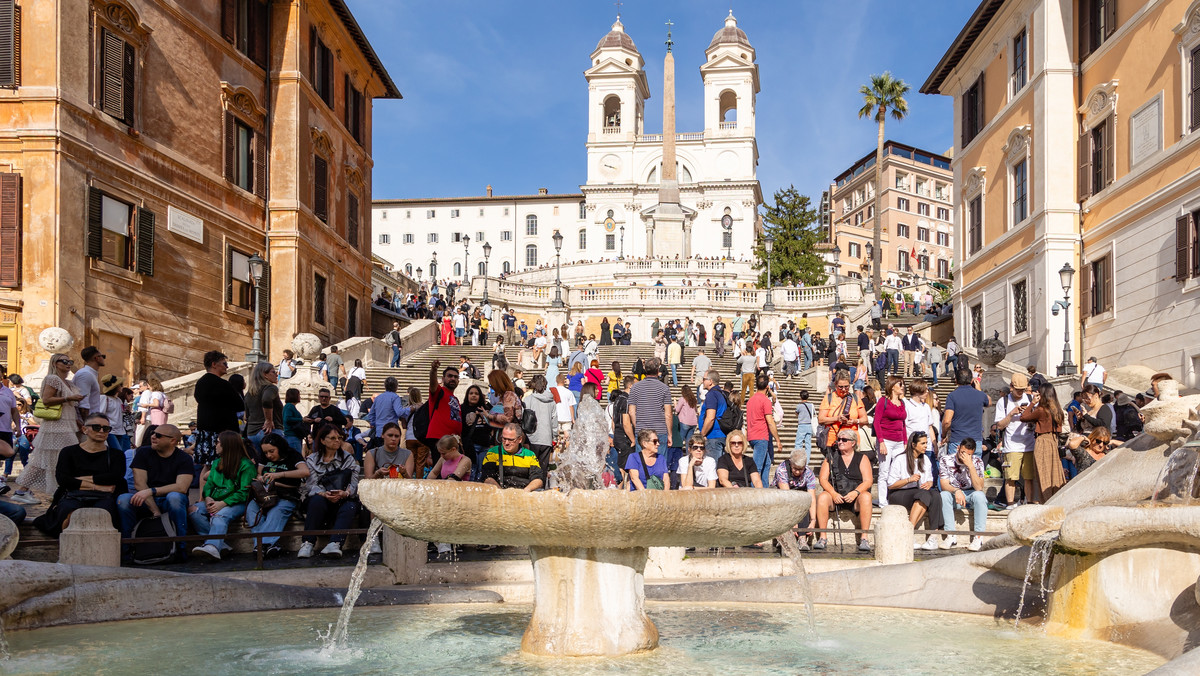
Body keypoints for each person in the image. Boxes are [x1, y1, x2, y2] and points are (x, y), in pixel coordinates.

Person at [33, 414, 126, 536]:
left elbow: (115, 477)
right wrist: (98, 486)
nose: (102, 431)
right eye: (96, 427)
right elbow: (63, 480)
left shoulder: (116, 455)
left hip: (104, 497)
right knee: (67, 512)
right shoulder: (69, 452)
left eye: (106, 428)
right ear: (84, 429)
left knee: (106, 513)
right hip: (74, 495)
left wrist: (80, 480)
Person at [10, 353, 84, 504]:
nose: (68, 363)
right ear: (55, 363)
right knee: (58, 458)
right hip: (56, 426)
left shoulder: (68, 382)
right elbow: (47, 399)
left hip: (67, 424)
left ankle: (23, 491)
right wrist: (68, 398)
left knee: (44, 459)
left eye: (70, 360)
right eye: (64, 361)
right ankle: (55, 491)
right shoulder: (52, 379)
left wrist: (78, 421)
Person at [116, 424, 192, 544]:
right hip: (147, 499)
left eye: (158, 435)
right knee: (124, 499)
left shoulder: (184, 458)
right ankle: (127, 548)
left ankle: (179, 547)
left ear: (172, 441)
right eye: (153, 433)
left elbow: (181, 487)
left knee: (175, 497)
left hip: (169, 499)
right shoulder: (143, 453)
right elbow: (139, 484)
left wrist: (151, 491)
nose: (153, 437)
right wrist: (155, 510)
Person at [189, 431, 256, 560]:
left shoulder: (246, 465)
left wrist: (222, 504)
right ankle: (220, 544)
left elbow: (244, 492)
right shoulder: (216, 463)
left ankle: (213, 546)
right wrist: (208, 498)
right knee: (193, 511)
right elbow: (208, 485)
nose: (215, 445)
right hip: (215, 500)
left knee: (219, 515)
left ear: (227, 445)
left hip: (237, 502)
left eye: (218, 442)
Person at [299, 424, 361, 558]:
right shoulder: (312, 460)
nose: (337, 441)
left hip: (343, 498)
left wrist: (344, 493)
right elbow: (311, 485)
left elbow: (354, 484)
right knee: (316, 501)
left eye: (339, 438)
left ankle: (335, 543)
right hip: (321, 498)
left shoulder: (348, 459)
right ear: (322, 440)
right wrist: (324, 494)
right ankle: (308, 543)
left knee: (351, 505)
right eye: (332, 438)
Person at [245, 432, 308, 558]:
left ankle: (261, 545)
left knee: (277, 511)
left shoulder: (292, 455)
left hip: (286, 494)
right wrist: (261, 477)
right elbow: (258, 473)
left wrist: (279, 475)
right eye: (266, 452)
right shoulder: (264, 457)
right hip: (265, 494)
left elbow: (305, 472)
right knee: (251, 509)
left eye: (272, 451)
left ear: (280, 447)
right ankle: (269, 545)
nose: (268, 455)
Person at [814, 430, 874, 551]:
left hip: (855, 496)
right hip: (836, 495)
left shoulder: (862, 458)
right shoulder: (830, 457)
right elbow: (823, 479)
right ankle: (823, 537)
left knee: (867, 497)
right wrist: (833, 493)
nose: (840, 442)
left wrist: (855, 493)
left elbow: (868, 480)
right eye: (839, 439)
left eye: (844, 440)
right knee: (822, 497)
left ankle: (864, 538)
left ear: (853, 443)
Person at [884, 431, 943, 550]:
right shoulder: (900, 459)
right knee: (924, 494)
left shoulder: (925, 459)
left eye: (926, 443)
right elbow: (891, 485)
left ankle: (933, 536)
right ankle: (908, 533)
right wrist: (908, 480)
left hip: (918, 492)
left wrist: (929, 483)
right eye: (922, 443)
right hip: (898, 493)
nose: (926, 446)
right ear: (913, 445)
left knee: (935, 495)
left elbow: (930, 479)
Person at [938, 438, 988, 551]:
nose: (965, 456)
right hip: (954, 494)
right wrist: (956, 491)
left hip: (971, 493)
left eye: (969, 454)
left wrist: (970, 466)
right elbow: (944, 484)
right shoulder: (946, 460)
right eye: (963, 453)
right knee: (943, 495)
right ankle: (950, 535)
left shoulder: (977, 461)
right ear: (958, 448)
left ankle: (978, 537)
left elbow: (979, 487)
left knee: (980, 496)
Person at [1021, 385, 1067, 501]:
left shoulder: (1041, 410)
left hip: (1043, 441)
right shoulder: (1057, 410)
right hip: (1053, 441)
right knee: (1054, 473)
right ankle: (1055, 498)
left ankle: (1045, 500)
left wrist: (1032, 403)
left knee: (1043, 473)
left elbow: (1024, 417)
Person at [994, 373, 1035, 506]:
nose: (1020, 392)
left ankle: (1028, 503)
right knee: (1010, 478)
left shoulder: (1030, 398)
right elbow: (999, 425)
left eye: (1023, 390)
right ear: (1011, 387)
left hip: (1029, 444)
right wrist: (1012, 413)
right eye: (1018, 390)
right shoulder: (1003, 402)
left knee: (1029, 478)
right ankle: (1010, 504)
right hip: (1011, 445)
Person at [873, 376, 908, 506]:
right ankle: (883, 501)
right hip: (886, 440)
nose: (903, 386)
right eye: (900, 384)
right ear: (893, 386)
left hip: (899, 441)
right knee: (884, 471)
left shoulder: (902, 403)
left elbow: (903, 424)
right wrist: (881, 441)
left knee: (898, 471)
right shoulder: (883, 401)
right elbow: (877, 422)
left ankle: (894, 499)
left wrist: (905, 441)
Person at [943, 367, 991, 457]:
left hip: (957, 440)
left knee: (955, 470)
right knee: (973, 469)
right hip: (975, 441)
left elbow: (946, 421)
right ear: (972, 380)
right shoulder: (980, 395)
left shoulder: (952, 396)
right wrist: (979, 390)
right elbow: (989, 402)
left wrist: (943, 435)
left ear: (956, 380)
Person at [481, 423, 544, 491]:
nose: (506, 443)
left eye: (510, 440)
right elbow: (487, 478)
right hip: (500, 492)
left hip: (523, 492)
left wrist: (526, 491)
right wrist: (501, 493)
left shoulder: (530, 455)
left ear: (520, 439)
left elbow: (538, 479)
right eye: (504, 439)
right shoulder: (493, 452)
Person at [775, 449, 818, 548]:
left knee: (804, 502)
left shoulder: (809, 473)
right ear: (790, 463)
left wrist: (813, 520)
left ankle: (802, 538)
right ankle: (783, 538)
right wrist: (792, 521)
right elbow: (788, 498)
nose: (798, 472)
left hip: (799, 496)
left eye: (801, 469)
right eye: (795, 468)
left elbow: (811, 498)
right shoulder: (782, 470)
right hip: (783, 497)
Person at [746, 373, 784, 484]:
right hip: (761, 435)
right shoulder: (765, 400)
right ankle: (755, 493)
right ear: (767, 386)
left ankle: (764, 488)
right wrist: (778, 440)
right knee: (756, 467)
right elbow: (770, 422)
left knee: (767, 463)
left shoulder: (750, 400)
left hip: (752, 435)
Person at [817, 371, 868, 451]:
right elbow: (821, 419)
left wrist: (854, 421)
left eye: (846, 387)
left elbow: (865, 419)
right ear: (835, 385)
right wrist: (837, 418)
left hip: (852, 441)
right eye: (840, 387)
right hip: (833, 441)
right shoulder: (828, 398)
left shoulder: (855, 398)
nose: (844, 389)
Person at [628, 357, 672, 450]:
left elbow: (631, 412)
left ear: (645, 369)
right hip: (659, 430)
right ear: (657, 370)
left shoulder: (635, 388)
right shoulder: (664, 388)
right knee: (660, 462)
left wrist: (638, 426)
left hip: (642, 430)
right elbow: (668, 414)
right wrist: (670, 434)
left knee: (641, 462)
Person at [424, 360, 462, 451]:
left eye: (456, 377)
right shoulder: (439, 392)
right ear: (443, 379)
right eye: (450, 376)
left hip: (453, 441)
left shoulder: (455, 399)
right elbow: (433, 385)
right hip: (439, 439)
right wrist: (433, 370)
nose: (453, 378)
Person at [243, 361, 282, 451]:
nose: (276, 374)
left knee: (257, 462)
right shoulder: (270, 388)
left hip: (252, 433)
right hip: (269, 432)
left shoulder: (249, 393)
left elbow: (246, 416)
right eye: (273, 372)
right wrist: (268, 420)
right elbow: (266, 399)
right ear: (265, 374)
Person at [522, 375, 558, 470]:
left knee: (531, 468)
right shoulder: (552, 402)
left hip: (531, 438)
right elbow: (554, 421)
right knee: (543, 469)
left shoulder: (528, 399)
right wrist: (554, 438)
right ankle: (541, 484)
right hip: (546, 438)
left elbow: (523, 418)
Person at [793, 391, 816, 465]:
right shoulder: (811, 405)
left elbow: (796, 413)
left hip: (802, 425)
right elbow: (814, 414)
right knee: (808, 444)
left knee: (798, 443)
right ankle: (807, 462)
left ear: (800, 397)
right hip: (809, 425)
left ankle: (798, 460)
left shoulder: (799, 405)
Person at [281, 388, 306, 454]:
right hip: (292, 436)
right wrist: (302, 419)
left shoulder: (289, 406)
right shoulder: (290, 406)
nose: (300, 397)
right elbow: (287, 419)